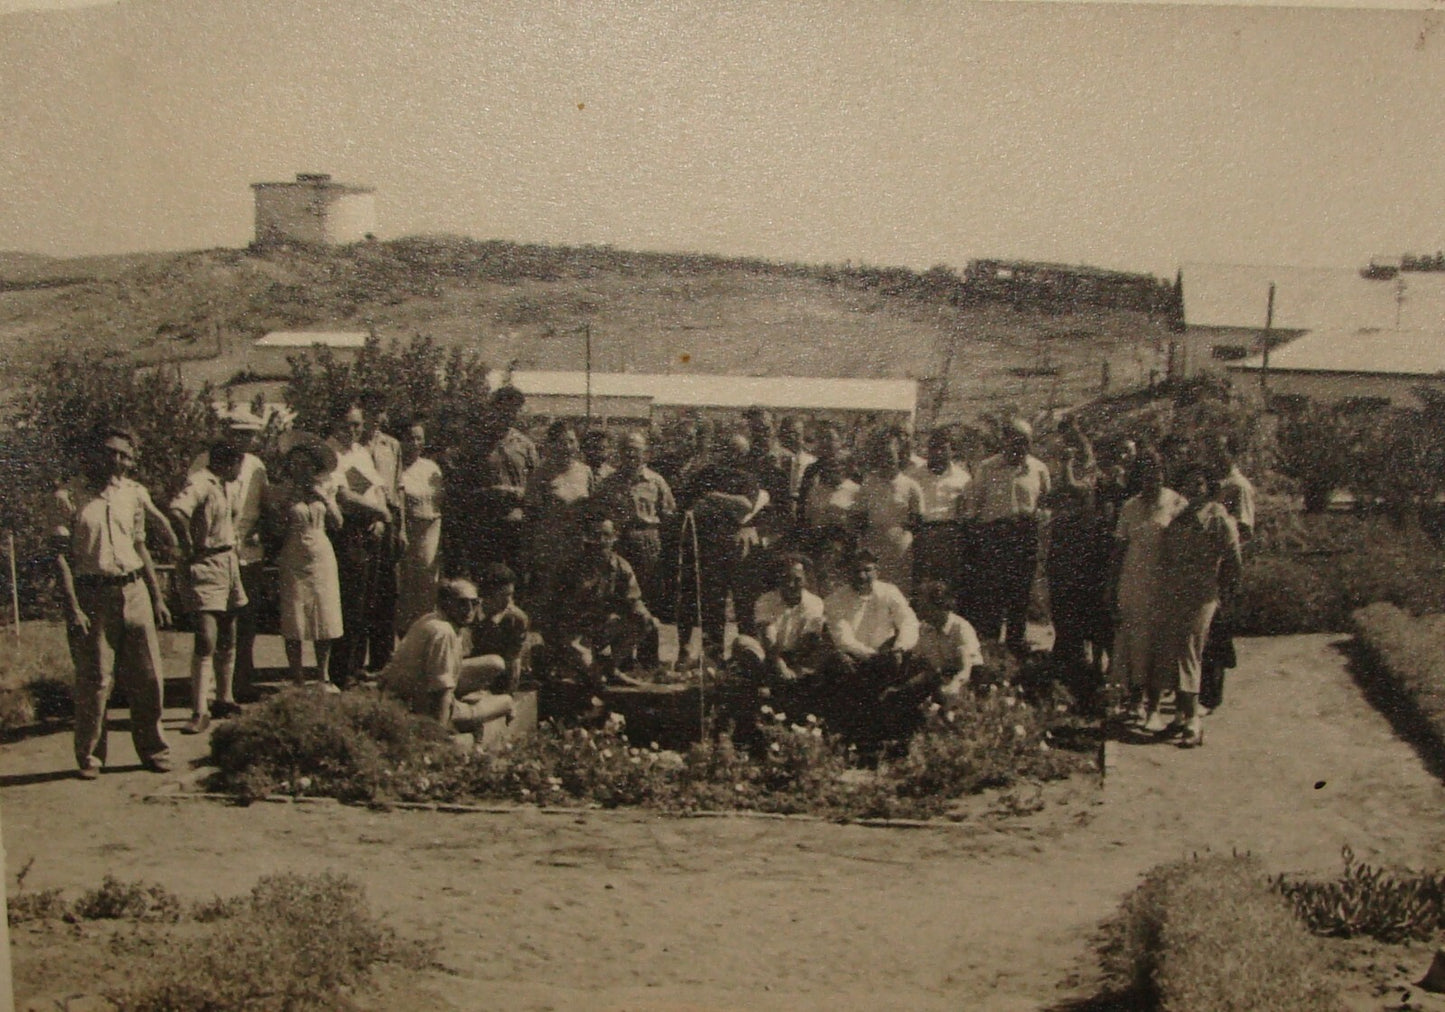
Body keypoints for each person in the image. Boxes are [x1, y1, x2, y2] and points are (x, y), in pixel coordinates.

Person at [51, 427, 173, 778]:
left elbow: (140, 546)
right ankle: (91, 757)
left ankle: (153, 749)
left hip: (134, 590)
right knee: (97, 680)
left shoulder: (133, 493)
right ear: (91, 454)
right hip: (92, 594)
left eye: (123, 454)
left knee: (149, 675)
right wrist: (72, 607)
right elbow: (59, 558)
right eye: (109, 452)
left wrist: (157, 596)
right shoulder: (68, 497)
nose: (116, 461)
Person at [1157, 464, 1243, 748]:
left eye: (1200, 484)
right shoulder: (1179, 518)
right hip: (1176, 593)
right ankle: (1180, 717)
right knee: (1175, 651)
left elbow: (1233, 560)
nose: (1195, 488)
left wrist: (1222, 592)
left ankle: (1194, 722)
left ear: (1210, 488)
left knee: (1189, 653)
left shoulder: (1218, 518)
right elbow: (1167, 556)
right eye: (1189, 483)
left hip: (1202, 595)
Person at [169, 440, 248, 735]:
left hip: (228, 562)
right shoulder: (201, 482)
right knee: (206, 638)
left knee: (229, 633)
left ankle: (223, 699)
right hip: (204, 564)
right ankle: (199, 710)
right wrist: (187, 544)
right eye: (239, 464)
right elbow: (177, 511)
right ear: (229, 463)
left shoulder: (227, 485)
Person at [189, 410, 269, 700]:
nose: (244, 439)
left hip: (247, 552)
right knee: (211, 627)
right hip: (215, 552)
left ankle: (240, 685)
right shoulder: (204, 463)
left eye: (249, 434)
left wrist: (260, 530)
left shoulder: (257, 466)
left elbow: (264, 506)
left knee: (244, 623)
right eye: (238, 433)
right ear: (227, 433)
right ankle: (208, 692)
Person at [1107, 449, 1188, 727]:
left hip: (1164, 585)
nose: (1152, 480)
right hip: (1134, 582)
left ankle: (1154, 708)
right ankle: (1135, 702)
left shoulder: (1177, 503)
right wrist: (1111, 587)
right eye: (1146, 475)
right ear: (1138, 477)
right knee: (1134, 643)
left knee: (1158, 645)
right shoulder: (1130, 507)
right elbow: (1118, 550)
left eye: (1158, 474)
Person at [379, 578, 516, 733]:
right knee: (506, 702)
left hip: (412, 691)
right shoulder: (444, 633)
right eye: (462, 603)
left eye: (474, 602)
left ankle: (465, 701)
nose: (469, 609)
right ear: (447, 603)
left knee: (495, 663)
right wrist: (439, 734)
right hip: (420, 706)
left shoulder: (432, 618)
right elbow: (440, 690)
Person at [961, 419, 1051, 654]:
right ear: (1005, 440)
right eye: (1016, 441)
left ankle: (1015, 648)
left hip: (1025, 535)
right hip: (995, 536)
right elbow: (974, 504)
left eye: (1026, 442)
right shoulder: (987, 468)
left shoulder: (1039, 469)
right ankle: (991, 650)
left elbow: (1045, 503)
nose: (1021, 447)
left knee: (1020, 595)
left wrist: (1039, 517)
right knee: (992, 594)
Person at [821, 548, 920, 746]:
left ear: (877, 571)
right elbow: (843, 638)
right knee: (840, 669)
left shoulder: (890, 592)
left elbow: (908, 622)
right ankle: (857, 738)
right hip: (857, 659)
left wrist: (900, 647)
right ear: (846, 572)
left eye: (867, 570)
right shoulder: (835, 599)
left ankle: (900, 735)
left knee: (919, 671)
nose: (861, 576)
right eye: (855, 571)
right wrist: (873, 657)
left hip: (889, 657)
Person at [1043, 417, 1110, 708]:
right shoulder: (1061, 475)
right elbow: (1050, 499)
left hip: (1082, 549)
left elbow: (1076, 489)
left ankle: (1082, 673)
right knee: (1061, 606)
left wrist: (1069, 464)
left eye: (1075, 447)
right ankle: (1066, 662)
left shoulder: (1088, 478)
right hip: (1062, 546)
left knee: (1080, 609)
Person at [326, 404, 395, 686]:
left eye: (357, 424)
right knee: (350, 604)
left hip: (371, 530)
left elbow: (376, 489)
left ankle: (356, 667)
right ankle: (342, 672)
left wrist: (379, 519)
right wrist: (380, 513)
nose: (353, 431)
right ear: (334, 424)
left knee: (367, 603)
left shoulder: (360, 452)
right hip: (349, 531)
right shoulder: (330, 453)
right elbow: (343, 495)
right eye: (346, 425)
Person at [549, 515, 662, 686]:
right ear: (585, 538)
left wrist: (641, 614)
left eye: (606, 535)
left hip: (602, 627)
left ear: (614, 538)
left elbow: (634, 600)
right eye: (595, 535)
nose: (601, 541)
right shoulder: (569, 568)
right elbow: (554, 613)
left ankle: (610, 666)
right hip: (574, 633)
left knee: (645, 621)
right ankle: (587, 669)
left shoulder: (621, 566)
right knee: (595, 679)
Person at [275, 439, 345, 691]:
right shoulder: (284, 491)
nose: (301, 469)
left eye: (306, 464)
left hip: (322, 555)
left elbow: (338, 523)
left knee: (323, 614)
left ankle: (322, 675)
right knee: (295, 616)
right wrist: (286, 505)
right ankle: (297, 678)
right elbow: (275, 527)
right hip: (294, 554)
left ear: (315, 466)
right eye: (296, 464)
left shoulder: (325, 488)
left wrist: (323, 499)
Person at [730, 553, 828, 718]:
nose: (791, 584)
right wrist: (779, 664)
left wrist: (794, 668)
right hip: (770, 655)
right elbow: (768, 638)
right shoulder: (766, 600)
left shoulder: (815, 603)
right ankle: (757, 692)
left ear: (805, 580)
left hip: (799, 656)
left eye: (797, 579)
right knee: (742, 642)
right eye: (786, 578)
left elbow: (809, 639)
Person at [1200, 435, 1256, 712]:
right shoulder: (1211, 483)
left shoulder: (1237, 486)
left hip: (1222, 567)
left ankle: (1211, 696)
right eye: (1211, 450)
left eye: (1219, 451)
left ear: (1232, 454)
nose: (1214, 455)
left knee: (1215, 631)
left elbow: (1244, 530)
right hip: (1202, 566)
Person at [594, 430, 676, 615]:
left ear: (645, 453)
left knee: (647, 600)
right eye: (625, 450)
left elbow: (669, 515)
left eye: (635, 450)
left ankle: (648, 642)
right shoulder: (609, 483)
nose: (630, 454)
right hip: (619, 542)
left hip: (648, 542)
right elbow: (598, 514)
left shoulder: (656, 481)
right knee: (618, 597)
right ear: (619, 453)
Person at [525, 420, 594, 607]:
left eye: (571, 441)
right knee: (550, 596)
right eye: (562, 442)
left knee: (575, 595)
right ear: (552, 445)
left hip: (577, 543)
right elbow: (531, 512)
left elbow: (591, 509)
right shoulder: (540, 473)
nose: (568, 447)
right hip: (550, 545)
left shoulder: (585, 471)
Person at [361, 393, 404, 671]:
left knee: (388, 592)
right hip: (364, 518)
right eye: (371, 411)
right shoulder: (353, 447)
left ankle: (382, 659)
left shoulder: (392, 445)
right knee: (365, 590)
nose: (376, 417)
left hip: (390, 518)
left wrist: (403, 530)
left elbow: (398, 488)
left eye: (381, 411)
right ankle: (355, 661)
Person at [797, 422, 863, 595]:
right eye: (822, 438)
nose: (826, 443)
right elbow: (804, 508)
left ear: (840, 441)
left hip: (843, 543)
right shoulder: (811, 471)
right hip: (817, 540)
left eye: (831, 438)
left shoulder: (853, 472)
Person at [858, 429, 924, 597]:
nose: (885, 460)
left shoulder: (911, 486)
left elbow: (918, 523)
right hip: (872, 546)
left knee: (898, 594)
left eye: (890, 455)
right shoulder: (868, 484)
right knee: (872, 592)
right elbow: (860, 518)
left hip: (899, 550)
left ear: (899, 456)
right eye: (881, 456)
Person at [396, 417, 445, 631]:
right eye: (409, 438)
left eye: (419, 439)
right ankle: (405, 637)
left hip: (432, 530)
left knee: (428, 585)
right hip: (408, 531)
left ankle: (424, 635)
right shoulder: (396, 468)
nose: (415, 443)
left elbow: (440, 502)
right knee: (405, 587)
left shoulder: (432, 468)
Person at [909, 427, 970, 591]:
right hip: (923, 534)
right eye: (933, 447)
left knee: (947, 585)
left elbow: (965, 511)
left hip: (949, 536)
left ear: (952, 451)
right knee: (922, 583)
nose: (937, 452)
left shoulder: (963, 478)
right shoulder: (914, 477)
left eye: (942, 448)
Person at [910, 579, 984, 701]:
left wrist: (951, 687)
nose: (921, 612)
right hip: (942, 678)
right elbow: (919, 662)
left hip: (969, 680)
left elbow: (965, 669)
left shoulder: (960, 628)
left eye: (925, 607)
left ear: (942, 606)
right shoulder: (924, 628)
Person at [464, 563, 531, 695]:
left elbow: (513, 660)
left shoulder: (516, 618)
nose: (509, 601)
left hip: (497, 679)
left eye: (511, 595)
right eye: (503, 596)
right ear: (486, 596)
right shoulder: (468, 612)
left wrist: (509, 695)